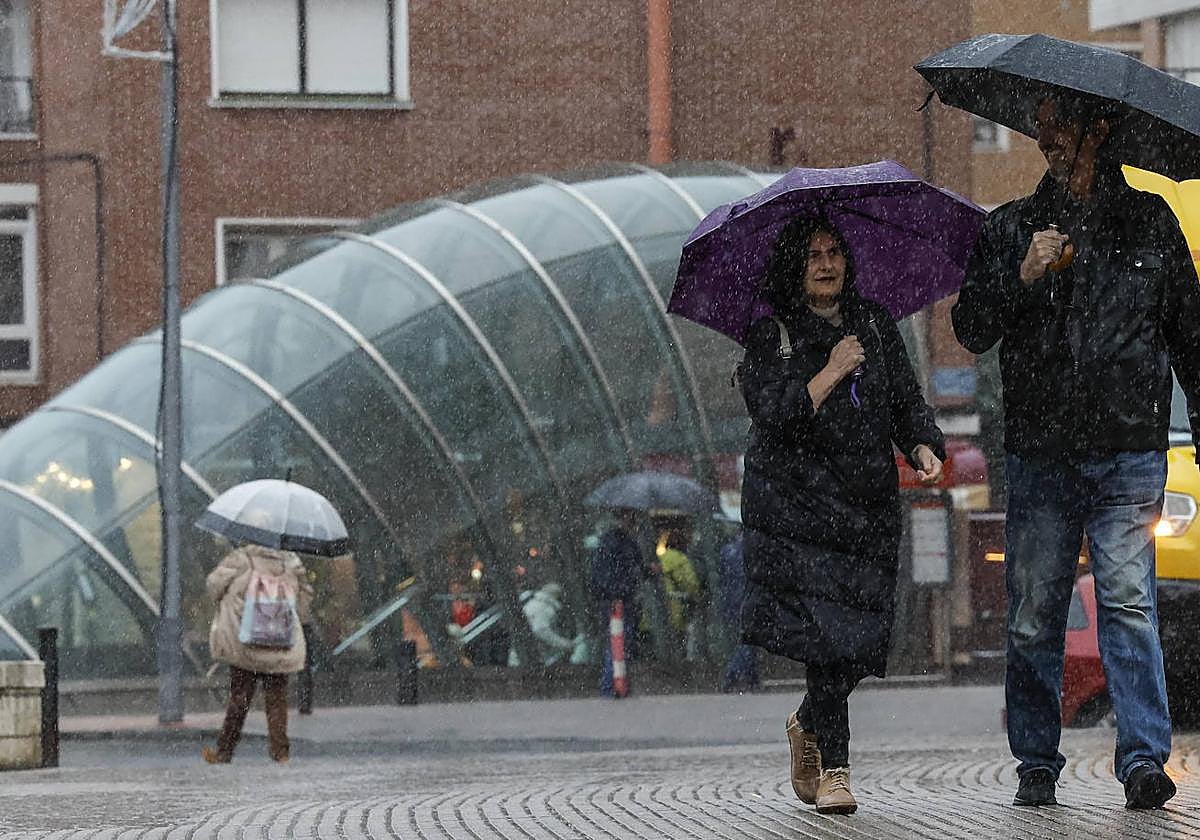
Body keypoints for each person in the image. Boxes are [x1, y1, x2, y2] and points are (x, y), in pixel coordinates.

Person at [953, 94, 1200, 810]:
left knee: (1128, 603)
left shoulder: (1151, 222)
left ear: (1099, 129)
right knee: (1035, 609)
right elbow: (970, 326)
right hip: (1043, 451)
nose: (1043, 138)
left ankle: (1144, 759)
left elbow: (1190, 335)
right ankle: (1037, 760)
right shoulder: (1013, 228)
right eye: (1039, 125)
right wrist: (1021, 275)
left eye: (1058, 123)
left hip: (1128, 446)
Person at [738, 214, 945, 815]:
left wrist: (923, 444)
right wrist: (829, 370)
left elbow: (906, 402)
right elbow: (774, 414)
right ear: (794, 268)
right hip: (800, 512)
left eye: (834, 253)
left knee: (863, 639)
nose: (826, 264)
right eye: (813, 256)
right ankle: (836, 769)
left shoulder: (874, 326)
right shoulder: (770, 335)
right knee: (828, 643)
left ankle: (807, 721)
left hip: (866, 509)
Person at [201, 541, 314, 764]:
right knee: (277, 699)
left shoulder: (240, 560)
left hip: (247, 642)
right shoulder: (291, 563)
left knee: (239, 698)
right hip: (280, 641)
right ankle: (281, 752)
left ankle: (224, 751)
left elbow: (213, 585)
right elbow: (304, 599)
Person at [590, 507, 650, 696]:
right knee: (619, 643)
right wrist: (619, 591)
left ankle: (617, 685)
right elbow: (607, 574)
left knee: (621, 644)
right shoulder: (616, 543)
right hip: (617, 601)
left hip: (620, 599)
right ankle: (611, 687)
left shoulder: (621, 543)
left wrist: (645, 571)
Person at [718, 529, 760, 693]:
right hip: (747, 599)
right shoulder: (751, 549)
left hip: (731, 601)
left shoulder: (727, 550)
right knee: (748, 642)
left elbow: (723, 578)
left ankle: (751, 678)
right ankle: (732, 675)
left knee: (745, 640)